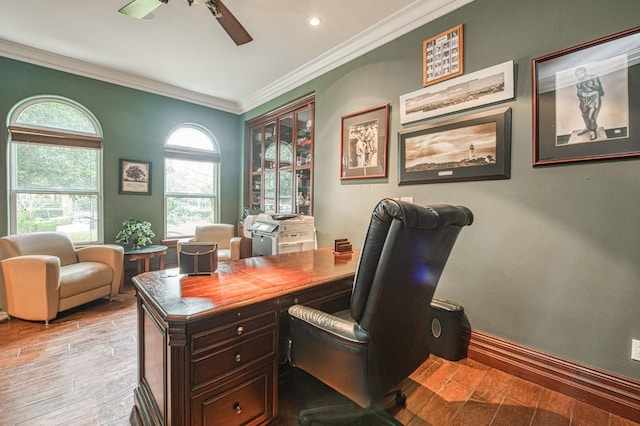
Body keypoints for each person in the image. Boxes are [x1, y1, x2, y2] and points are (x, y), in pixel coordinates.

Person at [575, 66, 604, 140]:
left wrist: (592, 86)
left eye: (580, 73)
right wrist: (582, 94)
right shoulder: (579, 82)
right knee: (584, 115)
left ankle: (593, 131)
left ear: (585, 72)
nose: (579, 75)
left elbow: (600, 91)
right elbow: (578, 94)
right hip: (584, 100)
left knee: (590, 116)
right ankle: (588, 127)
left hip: (594, 98)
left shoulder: (593, 77)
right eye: (577, 74)